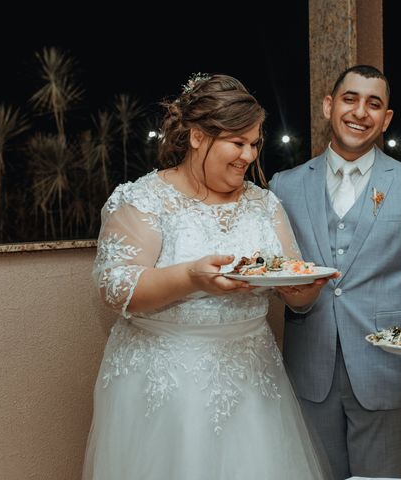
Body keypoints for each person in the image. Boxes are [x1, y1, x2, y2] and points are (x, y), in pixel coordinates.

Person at [82, 74, 333, 480]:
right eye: (238, 143)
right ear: (197, 136)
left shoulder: (264, 204)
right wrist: (190, 277)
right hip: (163, 385)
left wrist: (301, 289)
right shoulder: (144, 199)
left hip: (253, 382)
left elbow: (295, 290)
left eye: (254, 143)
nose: (249, 155)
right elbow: (117, 288)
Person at [270, 65, 401, 479]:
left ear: (386, 118)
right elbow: (277, 269)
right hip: (308, 372)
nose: (361, 112)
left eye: (374, 104)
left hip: (387, 371)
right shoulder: (284, 186)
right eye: (350, 99)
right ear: (328, 106)